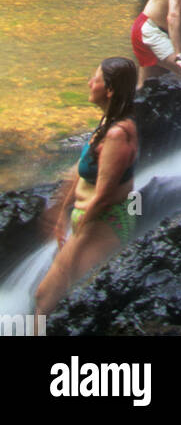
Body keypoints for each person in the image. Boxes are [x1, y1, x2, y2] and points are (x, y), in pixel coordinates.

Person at [35, 57, 138, 315]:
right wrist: (61, 212)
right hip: (87, 217)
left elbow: (102, 196)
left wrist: (77, 240)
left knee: (52, 298)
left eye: (95, 79)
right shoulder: (106, 123)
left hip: (105, 221)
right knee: (50, 298)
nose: (89, 83)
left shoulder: (117, 135)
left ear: (110, 90)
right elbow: (82, 171)